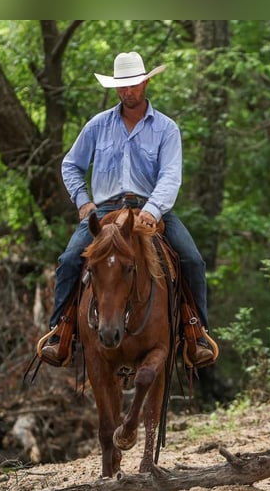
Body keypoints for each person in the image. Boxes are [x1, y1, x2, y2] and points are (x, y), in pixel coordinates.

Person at [40, 50, 216, 368]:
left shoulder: (166, 129)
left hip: (152, 209)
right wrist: (83, 202)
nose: (128, 91)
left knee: (192, 258)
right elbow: (70, 165)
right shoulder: (97, 126)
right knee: (69, 260)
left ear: (146, 82)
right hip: (105, 209)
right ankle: (60, 332)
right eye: (122, 86)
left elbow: (171, 175)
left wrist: (153, 209)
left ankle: (196, 333)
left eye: (134, 84)